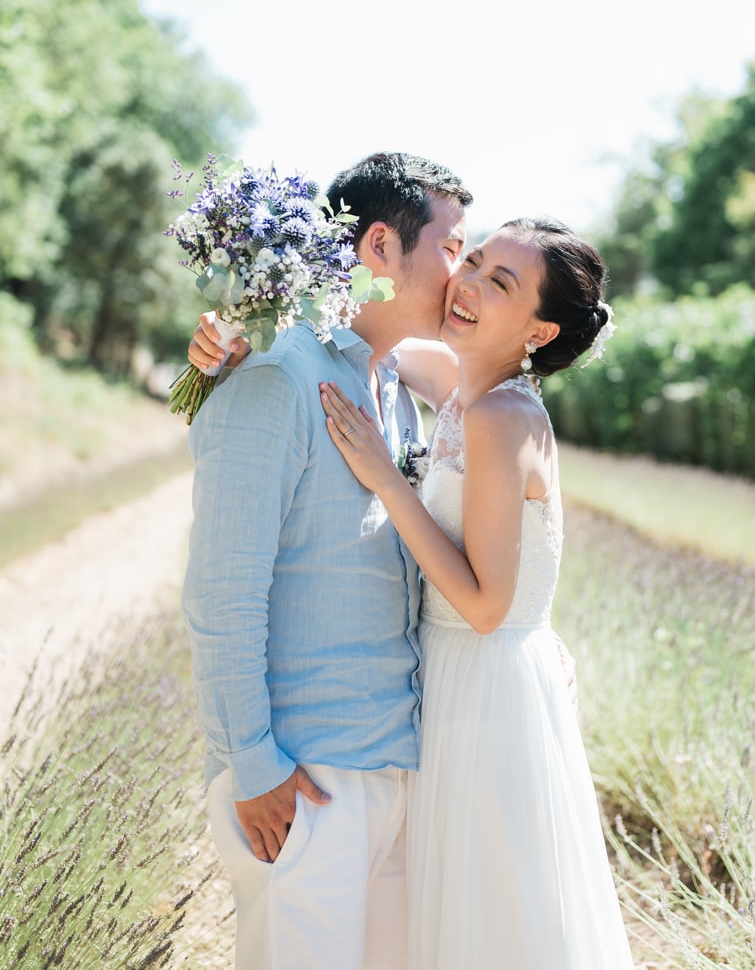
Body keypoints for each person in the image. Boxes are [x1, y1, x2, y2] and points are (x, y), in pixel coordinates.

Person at [317, 217, 635, 969]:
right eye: (476, 260)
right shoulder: (466, 385)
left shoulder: (500, 417)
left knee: (493, 914)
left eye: (502, 283)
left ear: (538, 329)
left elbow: (489, 607)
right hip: (460, 673)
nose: (469, 284)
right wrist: (236, 338)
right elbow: (372, 337)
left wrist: (387, 480)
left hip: (483, 684)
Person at [181, 151, 472, 970]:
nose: (462, 273)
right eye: (452, 246)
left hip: (393, 770)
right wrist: (256, 765)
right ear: (379, 245)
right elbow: (221, 594)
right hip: (303, 784)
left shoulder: (397, 399)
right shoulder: (277, 378)